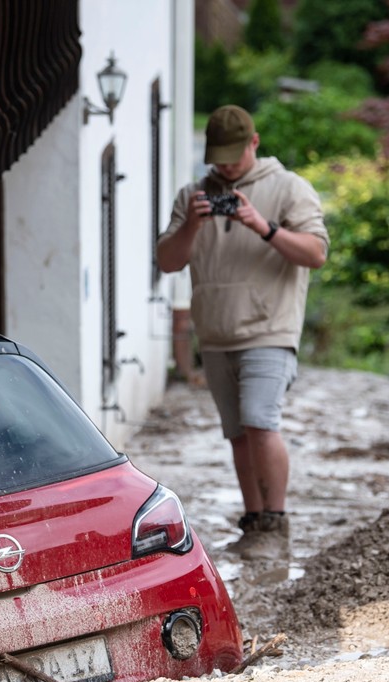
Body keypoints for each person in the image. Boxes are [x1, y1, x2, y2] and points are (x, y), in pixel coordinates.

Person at [156, 104, 328, 558]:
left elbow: (315, 253)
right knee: (237, 433)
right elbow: (167, 261)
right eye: (219, 157)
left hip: (270, 330)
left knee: (259, 420)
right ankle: (254, 524)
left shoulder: (289, 188)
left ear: (254, 143)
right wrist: (192, 224)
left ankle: (276, 522)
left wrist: (262, 226)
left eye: (234, 154)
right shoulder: (193, 194)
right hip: (215, 335)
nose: (226, 166)